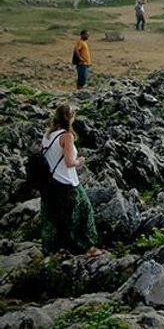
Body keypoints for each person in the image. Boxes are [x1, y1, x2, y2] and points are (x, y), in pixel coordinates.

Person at [39, 104, 99, 255]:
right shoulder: (67, 136)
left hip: (50, 183)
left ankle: (53, 250)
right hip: (67, 182)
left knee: (54, 218)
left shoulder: (47, 134)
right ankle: (87, 248)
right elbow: (70, 162)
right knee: (84, 212)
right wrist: (80, 161)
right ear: (71, 117)